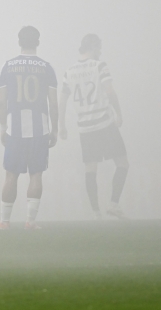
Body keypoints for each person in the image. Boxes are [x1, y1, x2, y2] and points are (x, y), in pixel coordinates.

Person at [0, 26, 58, 230]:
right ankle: (31, 221)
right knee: (36, 174)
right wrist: (55, 129)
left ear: (19, 41)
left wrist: (3, 127)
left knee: (11, 174)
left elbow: (2, 103)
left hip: (15, 129)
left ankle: (4, 221)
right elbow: (53, 104)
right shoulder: (46, 67)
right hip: (40, 128)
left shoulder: (8, 66)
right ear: (38, 42)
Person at [58, 34, 129, 220]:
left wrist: (62, 125)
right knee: (122, 163)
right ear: (92, 46)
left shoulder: (69, 71)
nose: (100, 51)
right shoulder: (99, 66)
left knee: (91, 169)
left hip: (85, 128)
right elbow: (109, 91)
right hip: (104, 122)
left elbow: (63, 100)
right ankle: (113, 204)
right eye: (99, 47)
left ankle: (95, 212)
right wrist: (119, 113)